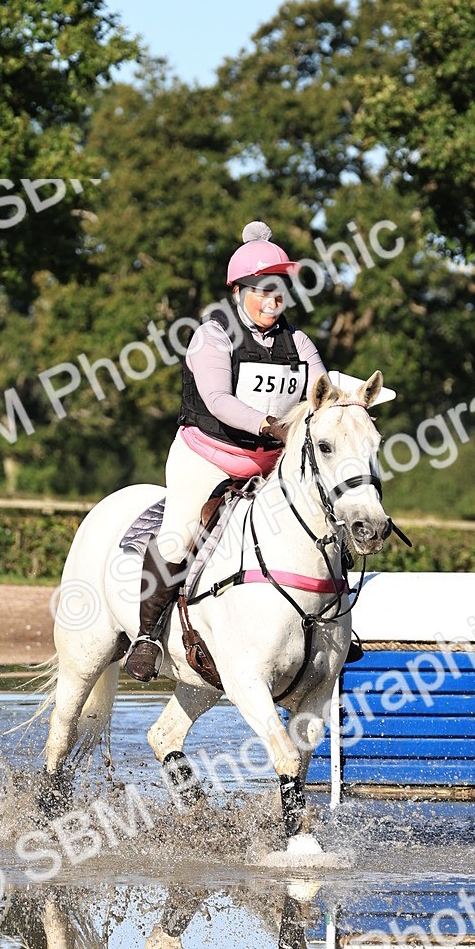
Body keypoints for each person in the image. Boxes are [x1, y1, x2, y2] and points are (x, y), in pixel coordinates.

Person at [124, 221, 328, 682]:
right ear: (240, 290)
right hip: (207, 454)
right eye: (264, 292)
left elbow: (322, 387)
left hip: (269, 462)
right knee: (177, 534)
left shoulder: (297, 342)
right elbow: (218, 400)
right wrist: (268, 424)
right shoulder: (212, 336)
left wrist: (348, 402)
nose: (274, 303)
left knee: (318, 521)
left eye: (281, 293)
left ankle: (325, 626)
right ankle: (146, 635)